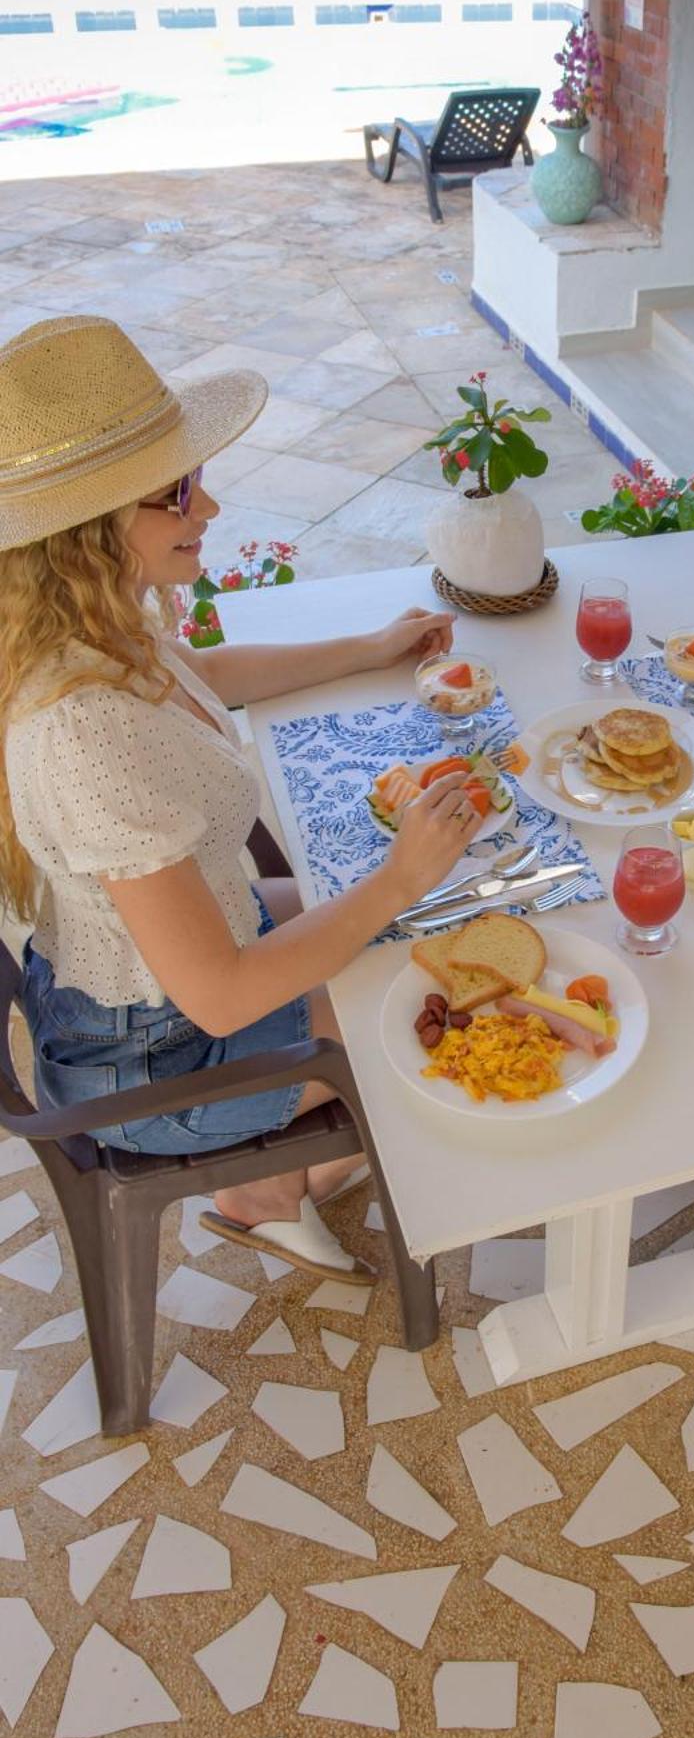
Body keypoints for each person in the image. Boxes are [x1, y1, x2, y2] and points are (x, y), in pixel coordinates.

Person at [0, 316, 483, 1286]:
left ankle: (272, 1187)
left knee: (430, 925)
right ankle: (264, 1182)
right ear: (89, 530)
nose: (208, 502)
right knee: (434, 991)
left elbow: (201, 671)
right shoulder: (82, 732)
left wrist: (365, 645)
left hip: (161, 980)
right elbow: (218, 992)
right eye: (177, 490)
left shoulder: (96, 623)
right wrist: (396, 878)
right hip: (155, 1057)